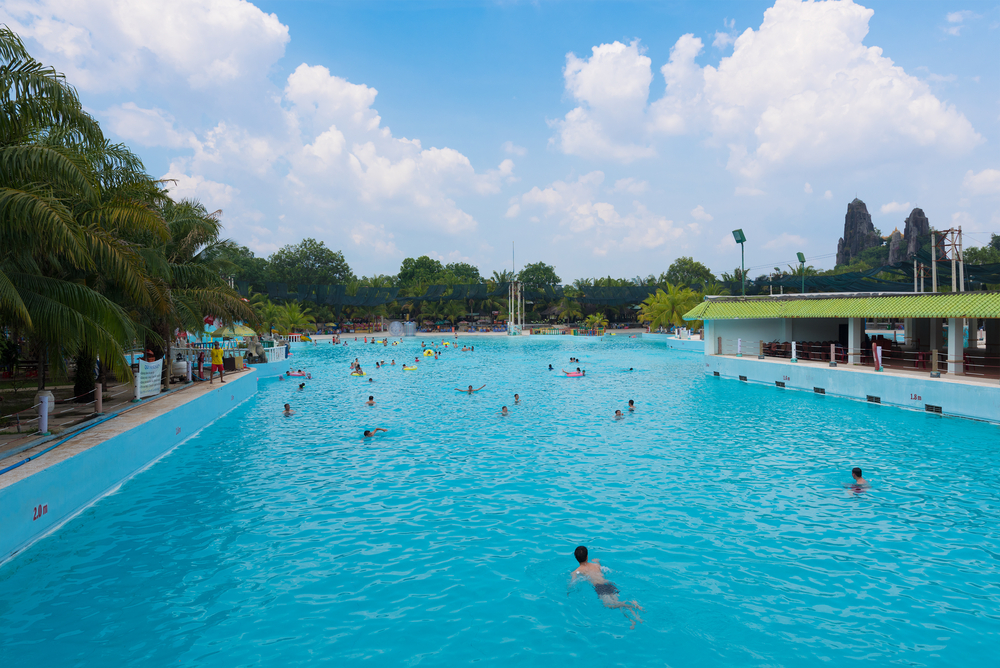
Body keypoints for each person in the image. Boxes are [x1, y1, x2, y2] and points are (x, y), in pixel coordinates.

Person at [571, 546, 643, 628]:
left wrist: (569, 589)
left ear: (576, 558)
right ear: (587, 556)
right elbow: (600, 569)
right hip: (608, 584)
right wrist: (597, 561)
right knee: (617, 602)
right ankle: (634, 619)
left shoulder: (576, 571)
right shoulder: (595, 565)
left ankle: (632, 604)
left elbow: (573, 583)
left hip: (599, 587)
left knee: (608, 605)